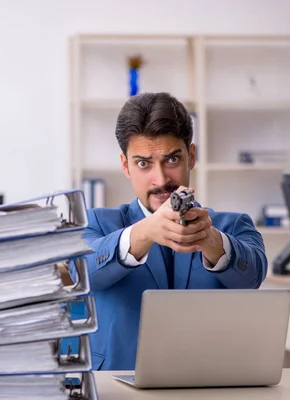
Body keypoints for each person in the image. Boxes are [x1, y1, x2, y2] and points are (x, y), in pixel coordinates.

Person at [79, 92, 268, 371]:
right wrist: (143, 233)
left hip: (208, 387)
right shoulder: (96, 223)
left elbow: (253, 275)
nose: (161, 179)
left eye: (172, 160)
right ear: (125, 166)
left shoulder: (233, 225)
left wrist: (212, 240)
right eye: (143, 163)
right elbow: (77, 271)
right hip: (117, 388)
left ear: (191, 156)